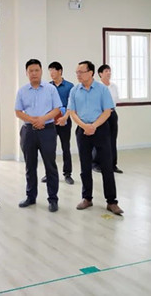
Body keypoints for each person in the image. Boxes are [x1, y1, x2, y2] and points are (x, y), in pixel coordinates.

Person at [68, 60, 123, 215]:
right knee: (85, 166)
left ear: (90, 73)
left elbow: (107, 111)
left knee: (106, 166)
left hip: (101, 129)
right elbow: (72, 112)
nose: (78, 75)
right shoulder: (74, 90)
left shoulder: (102, 89)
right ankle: (87, 198)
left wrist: (94, 126)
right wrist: (85, 126)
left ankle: (111, 202)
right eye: (77, 72)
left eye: (81, 72)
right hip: (82, 130)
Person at [15, 59, 62, 212]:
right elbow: (18, 111)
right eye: (31, 71)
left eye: (36, 70)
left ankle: (53, 199)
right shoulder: (22, 91)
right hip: (28, 131)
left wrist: (42, 119)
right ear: (26, 73)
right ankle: (30, 197)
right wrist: (33, 120)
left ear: (41, 71)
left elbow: (57, 109)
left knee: (50, 165)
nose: (34, 73)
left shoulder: (50, 89)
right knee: (30, 166)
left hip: (47, 130)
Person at [43, 62, 75, 185]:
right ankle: (49, 173)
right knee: (49, 148)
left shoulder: (69, 86)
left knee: (65, 147)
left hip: (65, 120)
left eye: (53, 70)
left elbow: (71, 105)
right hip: (51, 121)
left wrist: (65, 117)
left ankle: (67, 174)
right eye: (50, 70)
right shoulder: (47, 86)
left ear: (60, 71)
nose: (51, 73)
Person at [92, 64, 122, 174]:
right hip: (100, 115)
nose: (109, 73)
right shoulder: (97, 87)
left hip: (112, 113)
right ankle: (96, 164)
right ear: (100, 74)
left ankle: (112, 164)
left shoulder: (114, 86)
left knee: (112, 140)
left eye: (109, 71)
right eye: (106, 71)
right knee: (99, 140)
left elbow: (116, 100)